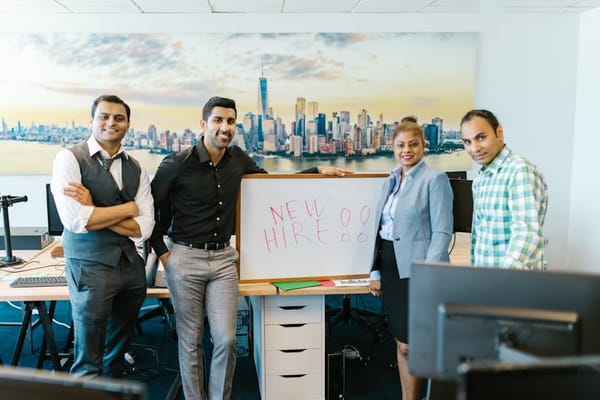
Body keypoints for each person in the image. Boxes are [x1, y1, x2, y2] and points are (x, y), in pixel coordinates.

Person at [149, 96, 349, 400]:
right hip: (185, 258)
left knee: (227, 340)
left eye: (230, 121)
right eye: (218, 120)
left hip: (223, 260)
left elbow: (272, 188)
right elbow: (151, 212)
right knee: (191, 341)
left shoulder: (238, 159)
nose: (225, 127)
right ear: (203, 124)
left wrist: (316, 171)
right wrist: (164, 255)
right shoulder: (176, 165)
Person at [50, 95, 154, 377]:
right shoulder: (69, 158)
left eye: (119, 118)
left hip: (130, 268)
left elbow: (144, 227)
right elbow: (76, 220)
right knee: (88, 356)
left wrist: (95, 209)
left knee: (117, 354)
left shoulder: (136, 168)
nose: (111, 122)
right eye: (104, 116)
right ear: (92, 121)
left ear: (128, 125)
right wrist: (127, 209)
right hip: (89, 266)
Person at [368, 120, 453, 400]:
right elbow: (380, 231)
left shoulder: (434, 179)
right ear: (392, 147)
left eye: (413, 144)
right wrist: (375, 271)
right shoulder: (391, 179)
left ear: (423, 146)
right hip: (391, 268)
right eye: (401, 145)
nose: (407, 150)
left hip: (417, 271)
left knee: (412, 345)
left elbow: (442, 231)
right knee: (401, 341)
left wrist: (427, 275)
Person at [460, 109, 548, 269]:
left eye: (481, 137)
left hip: (512, 282)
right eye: (467, 142)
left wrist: (502, 280)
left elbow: (527, 233)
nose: (475, 148)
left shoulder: (519, 170)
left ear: (499, 133)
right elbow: (480, 238)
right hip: (487, 279)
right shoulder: (480, 180)